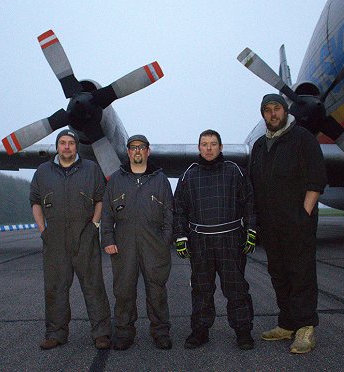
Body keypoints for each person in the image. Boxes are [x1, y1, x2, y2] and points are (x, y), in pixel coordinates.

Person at [248, 93, 327, 354]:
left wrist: (303, 215)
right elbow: (253, 184)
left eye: (277, 109)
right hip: (270, 227)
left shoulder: (303, 139)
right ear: (263, 114)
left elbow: (316, 180)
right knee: (279, 274)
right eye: (267, 110)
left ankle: (305, 328)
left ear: (285, 111)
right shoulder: (259, 146)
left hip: (297, 224)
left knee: (301, 274)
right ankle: (287, 323)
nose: (273, 114)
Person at [173, 129, 258, 350]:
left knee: (236, 288)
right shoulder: (188, 175)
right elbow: (179, 209)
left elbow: (248, 203)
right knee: (201, 290)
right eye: (204, 144)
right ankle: (200, 331)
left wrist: (251, 230)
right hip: (200, 241)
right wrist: (180, 236)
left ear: (221, 147)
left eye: (213, 144)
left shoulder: (236, 172)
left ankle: (243, 331)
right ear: (198, 147)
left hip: (230, 240)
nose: (209, 148)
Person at [30, 128, 112, 351]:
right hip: (54, 238)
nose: (67, 146)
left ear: (77, 146)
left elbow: (100, 199)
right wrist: (42, 229)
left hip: (85, 235)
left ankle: (102, 334)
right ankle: (56, 334)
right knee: (55, 287)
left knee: (94, 286)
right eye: (62, 143)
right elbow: (35, 201)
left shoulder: (92, 169)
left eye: (71, 143)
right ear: (57, 146)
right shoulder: (42, 171)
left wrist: (95, 224)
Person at [102, 134, 174, 351]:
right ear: (128, 152)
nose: (137, 151)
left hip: (154, 243)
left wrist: (165, 241)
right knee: (123, 291)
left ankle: (160, 332)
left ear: (148, 151)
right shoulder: (116, 179)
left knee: (157, 290)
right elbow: (107, 213)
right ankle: (124, 333)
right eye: (133, 148)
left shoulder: (160, 179)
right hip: (124, 243)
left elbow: (169, 214)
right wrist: (108, 238)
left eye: (141, 147)